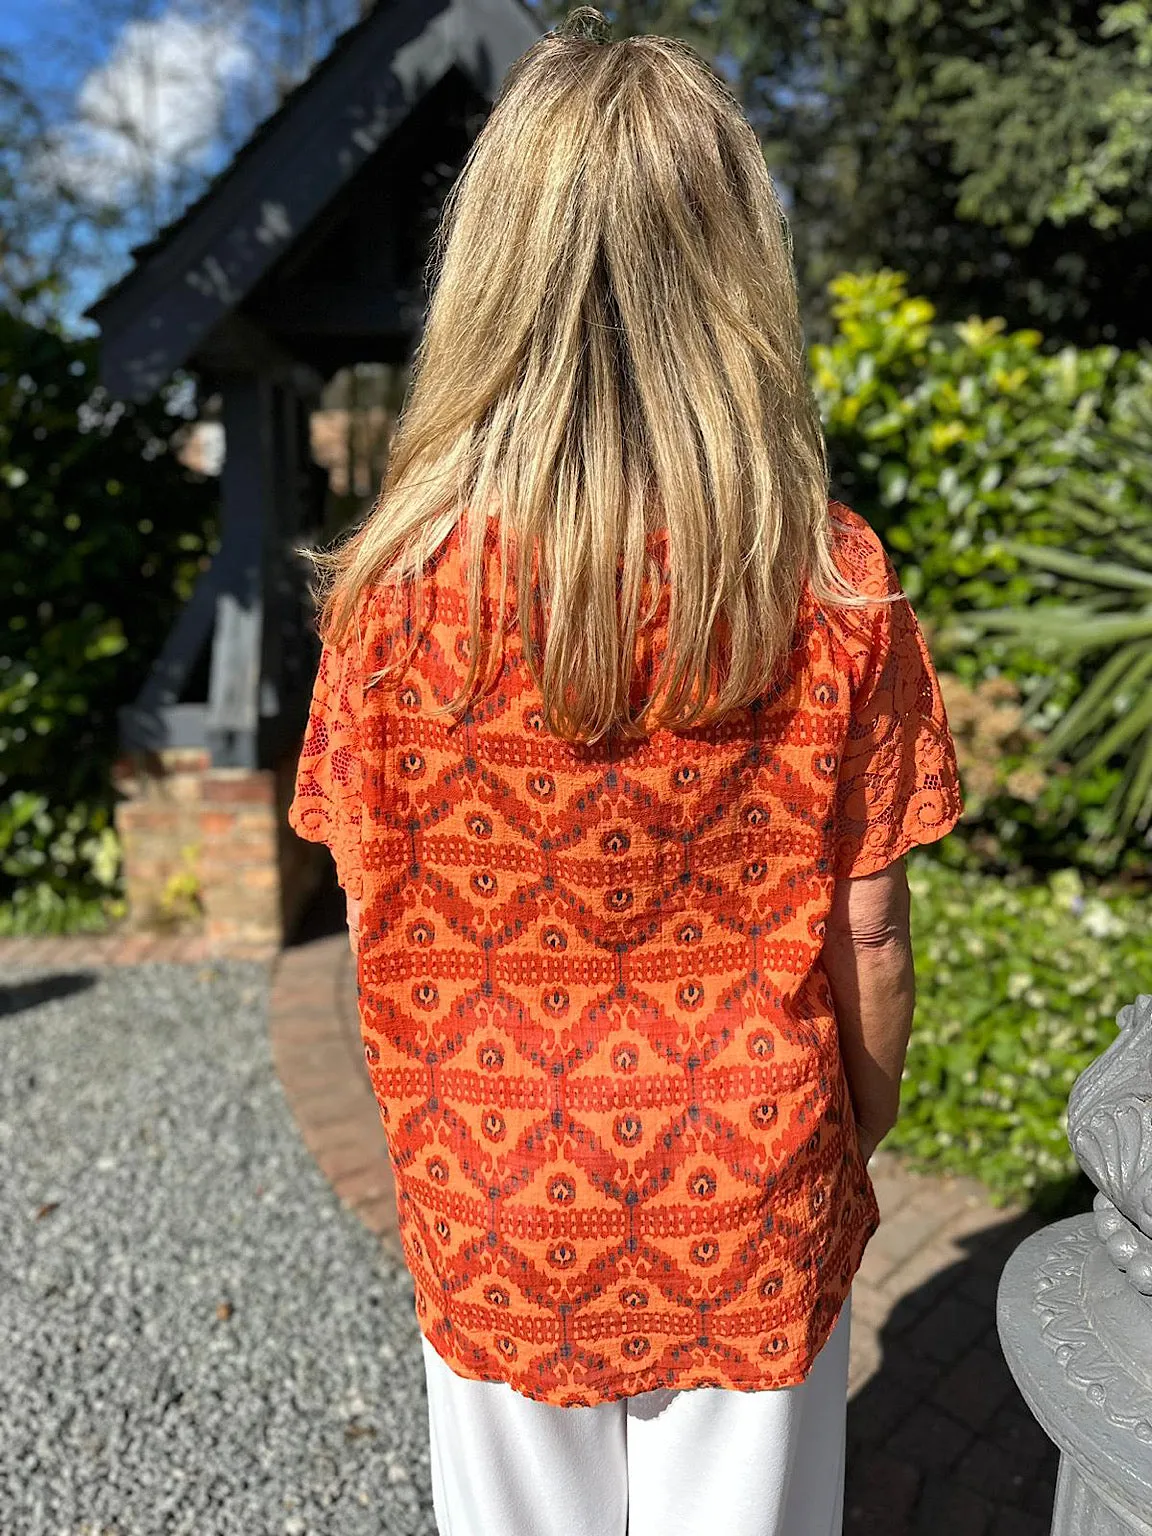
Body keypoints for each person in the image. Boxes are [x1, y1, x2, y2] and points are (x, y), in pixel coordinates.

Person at [287, 8, 963, 1534]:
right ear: (733, 268)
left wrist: (453, 1139)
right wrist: (833, 1144)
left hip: (493, 1184)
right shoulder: (827, 579)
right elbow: (871, 936)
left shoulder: (389, 597)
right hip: (750, 1171)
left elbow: (370, 892)